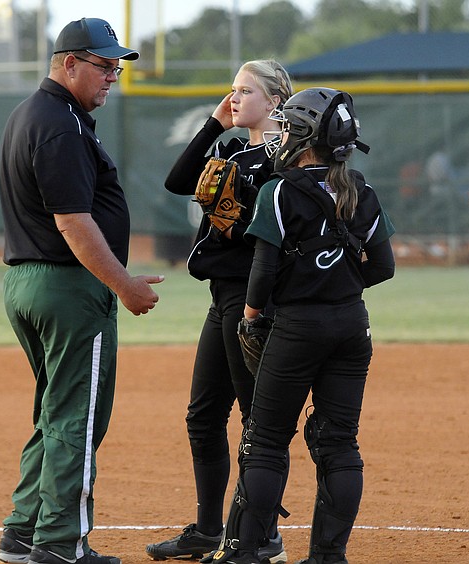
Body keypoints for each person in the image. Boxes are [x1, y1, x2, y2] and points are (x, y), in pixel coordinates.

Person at [0, 17, 163, 564]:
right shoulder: (60, 125)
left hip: (30, 282)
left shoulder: (35, 114)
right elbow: (72, 221)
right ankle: (62, 544)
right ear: (70, 63)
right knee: (78, 417)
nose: (113, 75)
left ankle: (24, 531)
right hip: (67, 288)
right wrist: (126, 285)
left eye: (117, 66)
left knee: (55, 411)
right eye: (104, 65)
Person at [209, 87, 396, 564]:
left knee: (266, 441)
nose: (287, 134)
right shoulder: (362, 190)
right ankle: (328, 556)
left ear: (305, 136)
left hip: (296, 328)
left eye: (292, 128)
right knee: (339, 442)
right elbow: (383, 267)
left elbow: (263, 271)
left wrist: (252, 317)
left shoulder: (279, 189)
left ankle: (244, 552)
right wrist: (337, 283)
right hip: (352, 326)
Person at [146, 60, 294, 563]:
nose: (234, 98)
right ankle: (209, 530)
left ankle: (262, 534)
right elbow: (176, 180)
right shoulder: (233, 149)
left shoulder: (286, 159)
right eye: (231, 90)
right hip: (221, 301)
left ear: (275, 100)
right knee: (203, 416)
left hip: (254, 300)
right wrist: (214, 124)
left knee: (258, 422)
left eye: (245, 91)